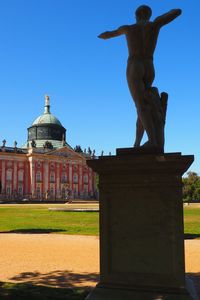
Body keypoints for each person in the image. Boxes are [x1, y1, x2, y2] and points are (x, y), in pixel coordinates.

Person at [98, 5, 181, 149]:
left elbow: (107, 34)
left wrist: (103, 35)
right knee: (144, 104)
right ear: (149, 15)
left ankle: (152, 141)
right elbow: (177, 12)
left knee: (140, 105)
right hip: (149, 65)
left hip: (135, 65)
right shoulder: (155, 24)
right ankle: (137, 143)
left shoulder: (128, 28)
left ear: (136, 15)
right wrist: (165, 15)